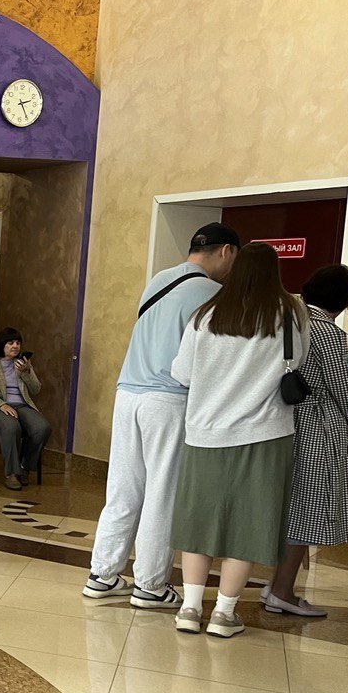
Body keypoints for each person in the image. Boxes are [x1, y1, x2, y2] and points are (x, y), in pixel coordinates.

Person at [83, 222, 238, 608]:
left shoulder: (158, 281)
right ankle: (150, 585)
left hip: (127, 392)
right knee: (162, 492)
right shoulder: (214, 294)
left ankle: (102, 575)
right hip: (168, 399)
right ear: (227, 251)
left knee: (123, 487)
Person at [170, 242, 309, 639]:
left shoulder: (206, 314)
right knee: (249, 525)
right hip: (266, 435)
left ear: (234, 269)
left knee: (199, 522)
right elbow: (296, 362)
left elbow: (183, 373)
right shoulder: (290, 313)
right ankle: (224, 614)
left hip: (205, 435)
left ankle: (190, 608)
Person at [265, 265, 348, 616]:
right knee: (308, 509)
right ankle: (282, 590)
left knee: (286, 507)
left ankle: (273, 584)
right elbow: (343, 387)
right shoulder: (327, 331)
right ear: (345, 301)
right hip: (317, 428)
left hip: (283, 421)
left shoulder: (285, 320)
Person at [0, 328, 50, 491]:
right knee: (11, 426)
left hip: (21, 405)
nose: (15, 346)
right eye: (11, 343)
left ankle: (24, 468)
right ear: (2, 344)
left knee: (42, 428)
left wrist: (27, 372)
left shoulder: (22, 363)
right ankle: (12, 474)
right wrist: (1, 405)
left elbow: (36, 389)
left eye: (18, 343)